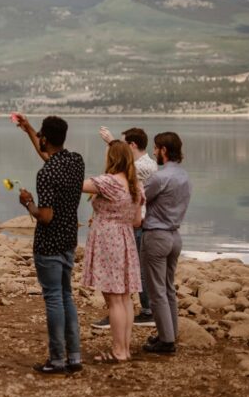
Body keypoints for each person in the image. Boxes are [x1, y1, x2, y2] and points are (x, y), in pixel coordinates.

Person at [13, 113, 85, 374]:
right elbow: (49, 157)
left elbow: (45, 216)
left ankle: (56, 359)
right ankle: (74, 356)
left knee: (54, 298)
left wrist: (28, 203)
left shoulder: (46, 174)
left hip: (49, 244)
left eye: (41, 136)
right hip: (69, 241)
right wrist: (29, 129)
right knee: (66, 296)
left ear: (46, 138)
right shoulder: (75, 162)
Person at [81, 140, 143, 362]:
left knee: (114, 299)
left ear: (113, 158)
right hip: (125, 239)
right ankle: (124, 349)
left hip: (109, 240)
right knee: (124, 297)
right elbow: (137, 221)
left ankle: (118, 351)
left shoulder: (109, 182)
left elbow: (76, 184)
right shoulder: (136, 185)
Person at [92, 126, 157, 330]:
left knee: (135, 271)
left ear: (132, 145)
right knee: (130, 271)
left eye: (123, 143)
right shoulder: (139, 165)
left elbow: (120, 174)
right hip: (130, 221)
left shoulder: (145, 166)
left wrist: (112, 144)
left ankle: (145, 312)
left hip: (138, 222)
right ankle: (125, 311)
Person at [141, 132, 192, 355]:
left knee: (157, 290)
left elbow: (140, 198)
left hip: (157, 236)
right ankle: (170, 333)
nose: (153, 152)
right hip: (175, 236)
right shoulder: (185, 177)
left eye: (155, 148)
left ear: (163, 150)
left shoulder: (160, 178)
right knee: (169, 287)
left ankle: (166, 341)